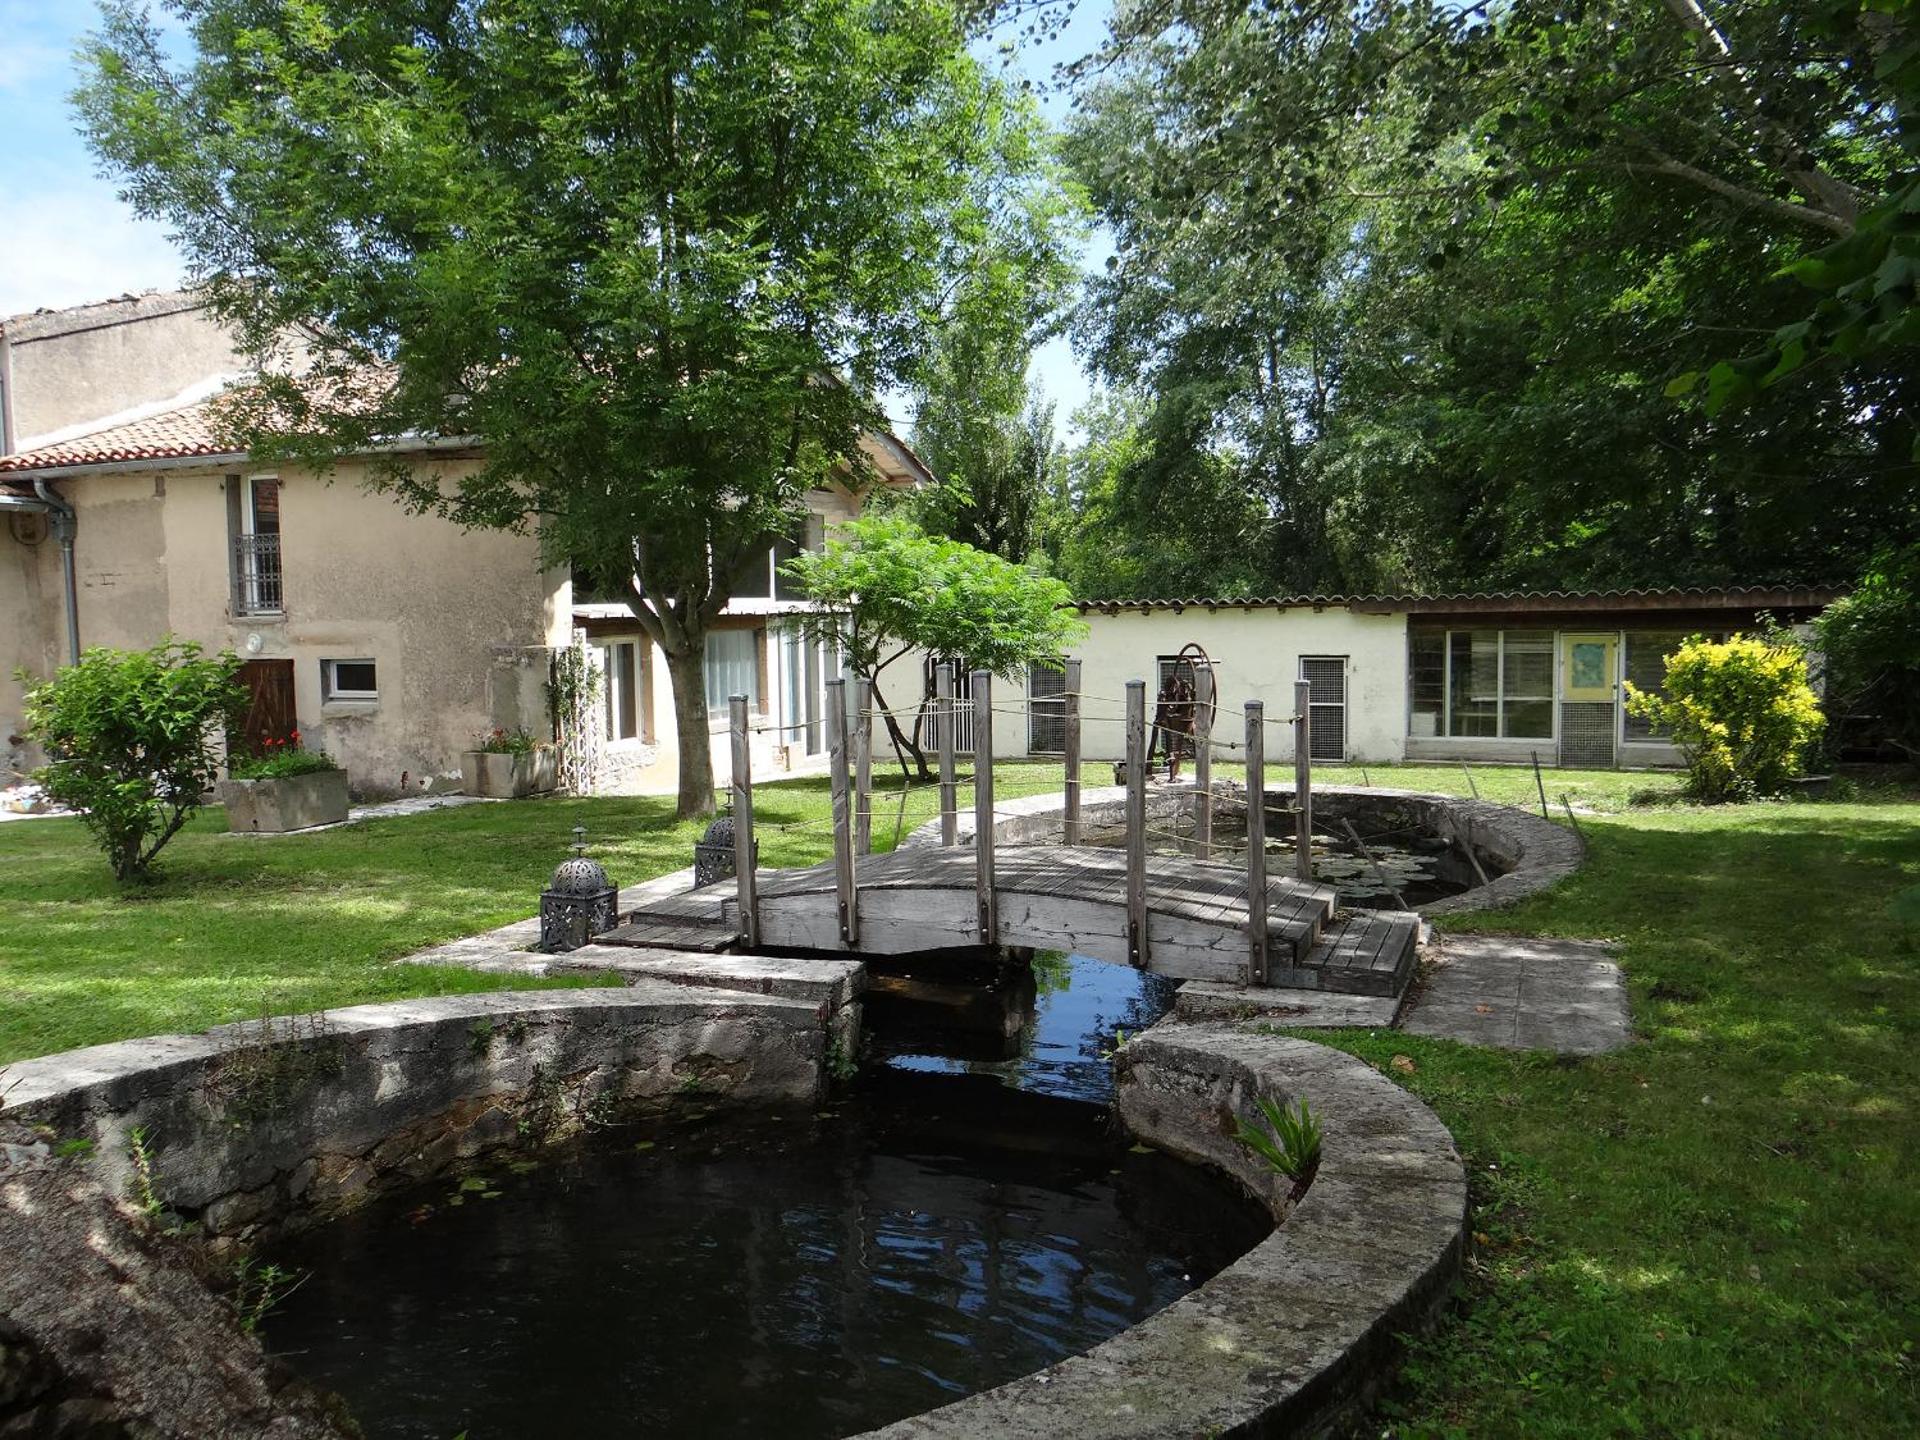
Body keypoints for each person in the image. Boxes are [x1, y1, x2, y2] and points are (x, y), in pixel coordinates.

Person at [1150, 669, 1197, 781]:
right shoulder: (1168, 694)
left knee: (1181, 741)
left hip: (1184, 720)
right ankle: (1171, 774)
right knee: (1173, 742)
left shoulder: (1184, 696)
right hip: (1171, 719)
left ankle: (1173, 773)